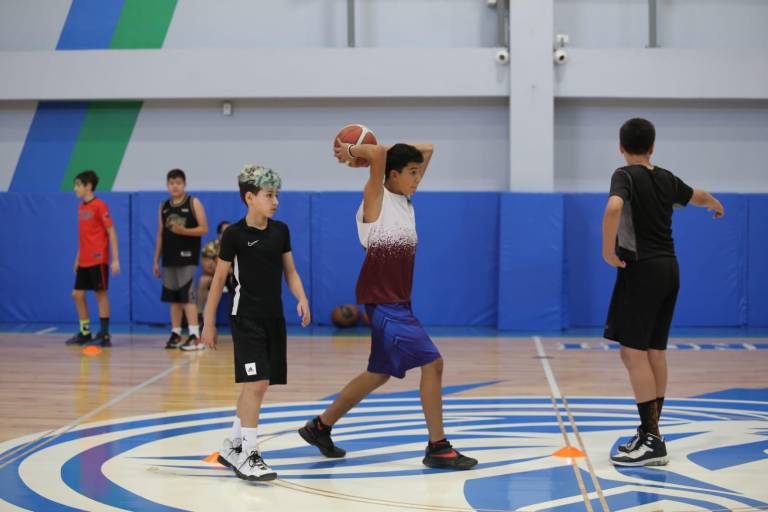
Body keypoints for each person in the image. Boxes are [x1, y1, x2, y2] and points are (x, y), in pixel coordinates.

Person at [297, 138, 477, 470]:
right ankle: (438, 447)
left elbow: (429, 148)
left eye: (418, 174)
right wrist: (353, 153)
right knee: (433, 364)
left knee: (378, 374)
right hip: (383, 303)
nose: (418, 178)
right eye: (411, 173)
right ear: (391, 175)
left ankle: (320, 427)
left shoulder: (405, 201)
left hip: (399, 303)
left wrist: (395, 155)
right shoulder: (376, 198)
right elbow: (379, 154)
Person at [602, 118, 724, 467]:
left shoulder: (624, 176)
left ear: (621, 147)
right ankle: (651, 432)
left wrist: (607, 251)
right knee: (655, 350)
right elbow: (696, 196)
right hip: (670, 269)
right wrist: (715, 202)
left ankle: (652, 438)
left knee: (632, 353)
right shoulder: (666, 177)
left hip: (641, 270)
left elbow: (613, 207)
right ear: (652, 147)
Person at [201, 165, 311, 481]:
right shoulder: (233, 235)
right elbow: (219, 277)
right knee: (256, 384)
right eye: (268, 195)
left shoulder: (281, 231)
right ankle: (249, 454)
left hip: (273, 318)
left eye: (276, 195)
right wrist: (208, 321)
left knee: (259, 385)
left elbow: (289, 271)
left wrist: (301, 297)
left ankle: (232, 445)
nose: (275, 201)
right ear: (250, 197)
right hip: (245, 317)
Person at [153, 169, 208, 351]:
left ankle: (195, 336)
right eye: (171, 183)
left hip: (187, 257)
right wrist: (156, 260)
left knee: (187, 297)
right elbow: (160, 234)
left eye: (178, 182)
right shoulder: (163, 206)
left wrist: (184, 231)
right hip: (169, 258)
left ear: (184, 184)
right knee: (174, 299)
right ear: (167, 185)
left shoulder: (193, 202)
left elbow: (204, 229)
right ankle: (176, 333)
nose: (174, 186)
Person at [65, 170, 120, 348]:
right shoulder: (81, 207)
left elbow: (111, 232)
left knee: (100, 294)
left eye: (78, 185)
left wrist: (115, 259)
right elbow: (84, 235)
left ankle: (104, 335)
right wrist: (77, 258)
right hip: (84, 259)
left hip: (99, 258)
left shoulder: (100, 206)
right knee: (77, 294)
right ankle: (85, 332)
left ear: (88, 186)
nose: (75, 188)